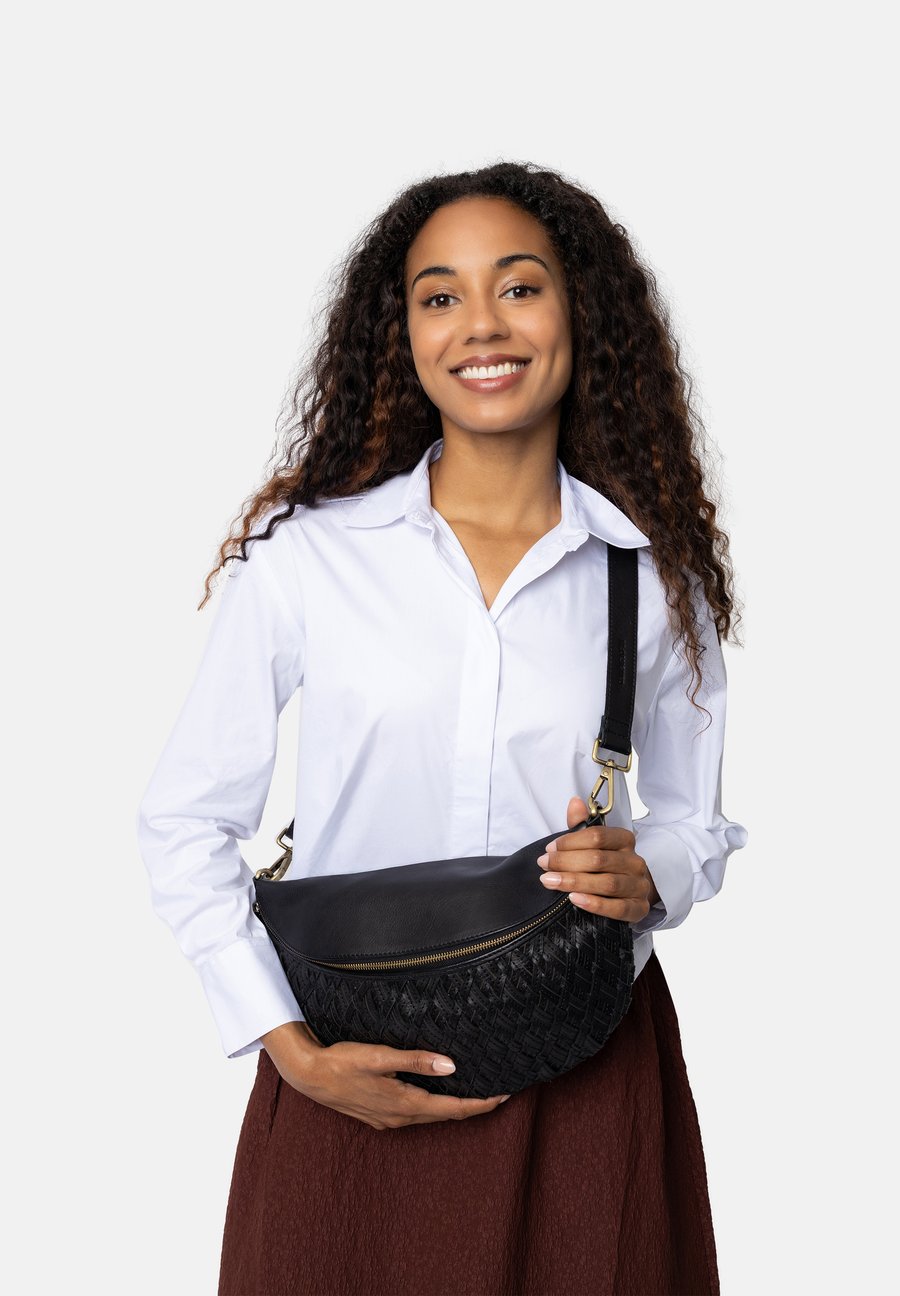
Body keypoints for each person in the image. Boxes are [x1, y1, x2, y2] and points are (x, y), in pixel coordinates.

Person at [136, 160, 749, 1296]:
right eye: (440, 295)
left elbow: (695, 827)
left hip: (583, 1072)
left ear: (579, 313)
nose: (481, 325)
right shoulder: (310, 558)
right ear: (405, 334)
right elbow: (183, 820)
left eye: (519, 287)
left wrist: (644, 872)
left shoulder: (649, 577)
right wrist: (288, 1048)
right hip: (346, 1066)